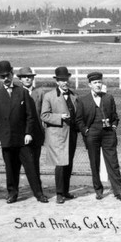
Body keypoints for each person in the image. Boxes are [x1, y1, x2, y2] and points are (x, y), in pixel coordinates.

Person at [0, 60, 49, 204]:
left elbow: (31, 116)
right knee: (10, 169)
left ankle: (39, 194)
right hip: (6, 139)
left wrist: (28, 133)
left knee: (31, 167)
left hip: (23, 139)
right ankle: (12, 193)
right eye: (3, 76)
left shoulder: (22, 92)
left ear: (12, 74)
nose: (6, 78)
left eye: (8, 75)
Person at [76, 71, 121, 202]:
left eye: (99, 82)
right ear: (89, 85)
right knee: (94, 162)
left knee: (113, 162)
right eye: (95, 83)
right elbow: (79, 120)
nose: (98, 85)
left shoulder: (108, 98)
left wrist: (114, 127)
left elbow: (115, 117)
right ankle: (98, 190)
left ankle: (118, 191)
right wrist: (86, 131)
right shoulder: (82, 100)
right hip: (92, 134)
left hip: (108, 134)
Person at [40, 67, 79, 204]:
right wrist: (60, 117)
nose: (64, 82)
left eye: (66, 79)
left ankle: (66, 191)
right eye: (61, 80)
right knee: (60, 164)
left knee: (68, 163)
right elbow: (44, 115)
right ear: (57, 82)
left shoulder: (74, 96)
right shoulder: (49, 96)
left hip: (71, 134)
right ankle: (59, 193)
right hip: (57, 135)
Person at [16, 67, 45, 182]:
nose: (27, 79)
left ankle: (38, 189)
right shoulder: (16, 92)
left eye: (30, 76)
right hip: (20, 133)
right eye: (24, 77)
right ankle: (15, 191)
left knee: (35, 161)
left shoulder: (39, 93)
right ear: (20, 79)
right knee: (20, 162)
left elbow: (44, 113)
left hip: (37, 132)